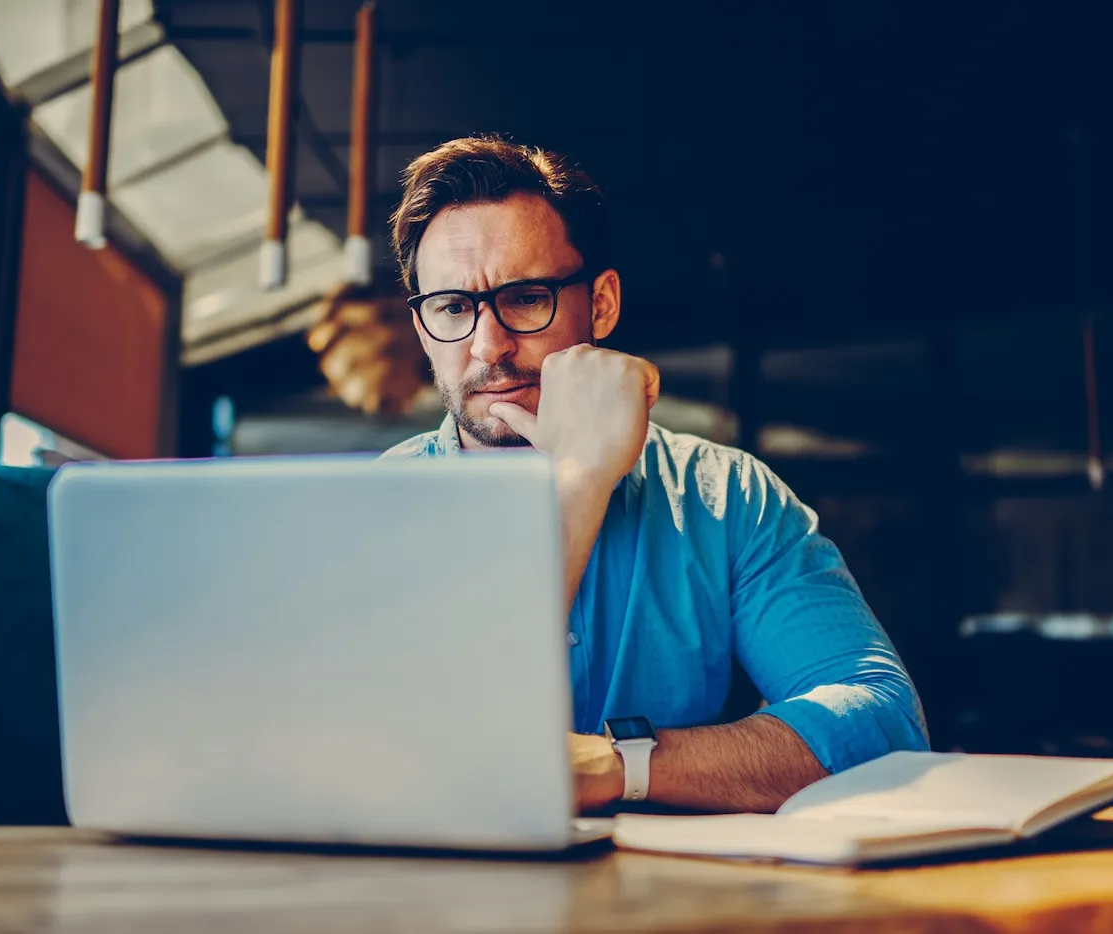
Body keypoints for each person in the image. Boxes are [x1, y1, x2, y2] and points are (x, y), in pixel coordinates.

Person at [381, 136, 928, 814]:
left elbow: (883, 724)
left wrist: (623, 764)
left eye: (526, 297)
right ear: (422, 322)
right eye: (453, 307)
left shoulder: (729, 499)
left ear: (602, 304)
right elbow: (402, 758)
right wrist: (578, 481)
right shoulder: (372, 513)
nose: (489, 345)